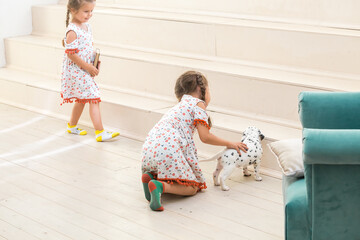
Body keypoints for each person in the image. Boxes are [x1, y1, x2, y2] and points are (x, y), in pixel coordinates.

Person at [141, 71, 248, 211]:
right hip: (168, 149)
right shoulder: (198, 104)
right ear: (200, 89)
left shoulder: (179, 106)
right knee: (192, 187)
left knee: (167, 170)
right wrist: (230, 143)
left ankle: (149, 176)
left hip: (149, 147)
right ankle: (160, 186)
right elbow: (205, 137)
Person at [61, 0, 119, 142]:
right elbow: (71, 54)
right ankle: (100, 132)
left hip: (85, 68)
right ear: (74, 11)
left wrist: (94, 62)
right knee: (93, 98)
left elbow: (86, 48)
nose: (90, 14)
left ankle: (72, 126)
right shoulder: (72, 31)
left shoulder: (87, 27)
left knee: (82, 99)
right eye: (86, 11)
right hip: (77, 70)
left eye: (91, 11)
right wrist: (87, 67)